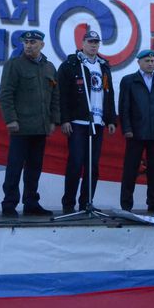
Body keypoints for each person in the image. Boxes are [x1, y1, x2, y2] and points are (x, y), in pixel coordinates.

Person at [0, 30, 60, 217]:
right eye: (26, 42)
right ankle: (9, 203)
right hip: (21, 126)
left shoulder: (49, 67)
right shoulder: (14, 65)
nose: (29, 46)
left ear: (42, 45)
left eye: (33, 42)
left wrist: (53, 120)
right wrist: (10, 119)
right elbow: (5, 94)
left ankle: (31, 203)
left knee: (34, 169)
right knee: (15, 167)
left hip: (40, 127)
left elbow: (55, 96)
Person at [57, 30, 117, 214]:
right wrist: (65, 119)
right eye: (90, 41)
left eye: (96, 42)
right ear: (82, 43)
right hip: (78, 122)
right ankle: (68, 204)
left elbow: (109, 93)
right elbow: (62, 94)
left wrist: (111, 119)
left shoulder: (103, 66)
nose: (93, 45)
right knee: (76, 163)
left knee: (93, 166)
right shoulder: (71, 64)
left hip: (97, 122)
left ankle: (86, 203)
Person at [119, 49, 154, 212]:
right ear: (139, 62)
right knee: (131, 169)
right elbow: (124, 107)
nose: (150, 64)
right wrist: (127, 128)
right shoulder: (129, 80)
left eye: (152, 61)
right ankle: (126, 204)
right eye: (147, 61)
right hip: (135, 132)